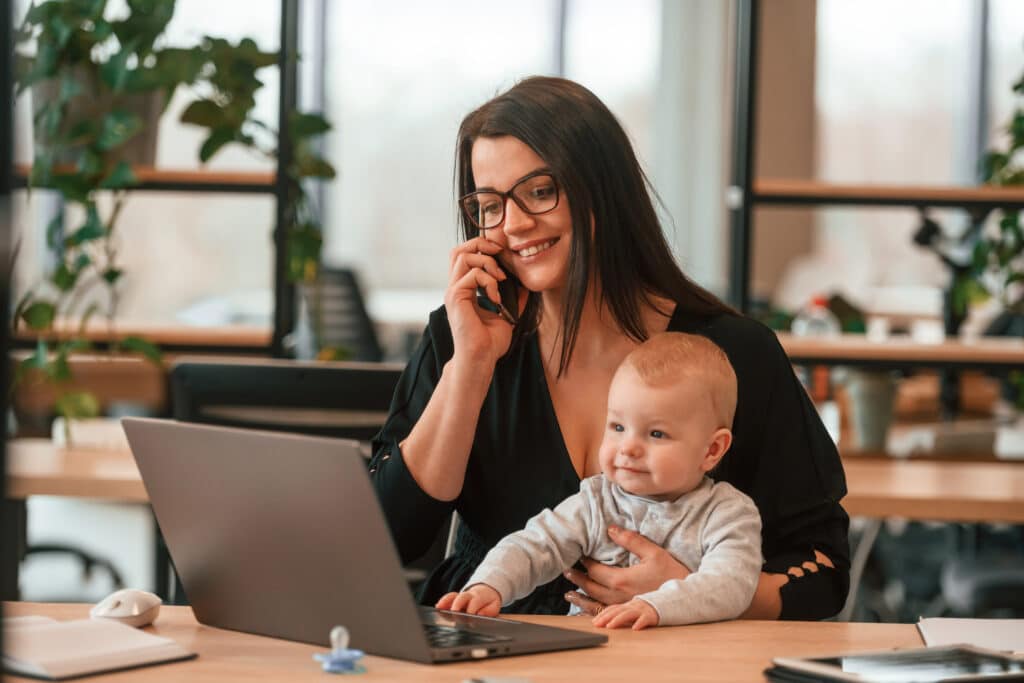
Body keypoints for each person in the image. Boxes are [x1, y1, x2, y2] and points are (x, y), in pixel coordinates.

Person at [369, 76, 849, 620]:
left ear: (602, 190)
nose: (515, 224)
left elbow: (823, 568)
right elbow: (387, 539)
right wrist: (472, 366)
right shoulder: (463, 336)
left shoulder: (735, 352)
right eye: (489, 205)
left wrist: (691, 592)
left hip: (664, 665)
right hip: (487, 652)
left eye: (540, 191)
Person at [435, 332, 763, 630]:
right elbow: (535, 545)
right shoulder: (596, 501)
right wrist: (489, 585)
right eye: (618, 427)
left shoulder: (728, 513)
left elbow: (731, 583)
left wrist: (656, 604)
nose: (629, 448)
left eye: (657, 433)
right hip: (597, 651)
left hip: (691, 661)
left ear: (712, 449)